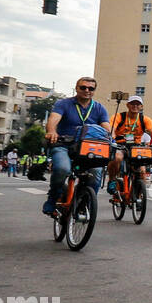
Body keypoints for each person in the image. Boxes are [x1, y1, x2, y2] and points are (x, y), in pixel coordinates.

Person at [42, 76, 110, 214]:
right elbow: (53, 119)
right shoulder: (63, 104)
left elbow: (106, 129)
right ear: (76, 88)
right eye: (83, 87)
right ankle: (53, 197)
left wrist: (110, 139)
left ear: (94, 91)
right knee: (62, 169)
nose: (87, 90)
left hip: (88, 148)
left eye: (91, 88)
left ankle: (85, 203)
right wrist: (51, 131)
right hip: (64, 144)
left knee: (96, 173)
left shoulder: (99, 108)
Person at [107, 95, 152, 195]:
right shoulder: (119, 116)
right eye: (132, 104)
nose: (135, 106)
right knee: (117, 158)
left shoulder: (145, 119)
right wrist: (112, 137)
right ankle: (112, 180)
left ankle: (138, 197)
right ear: (127, 105)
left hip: (136, 147)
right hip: (119, 144)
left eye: (138, 104)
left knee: (142, 171)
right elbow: (111, 128)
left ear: (141, 106)